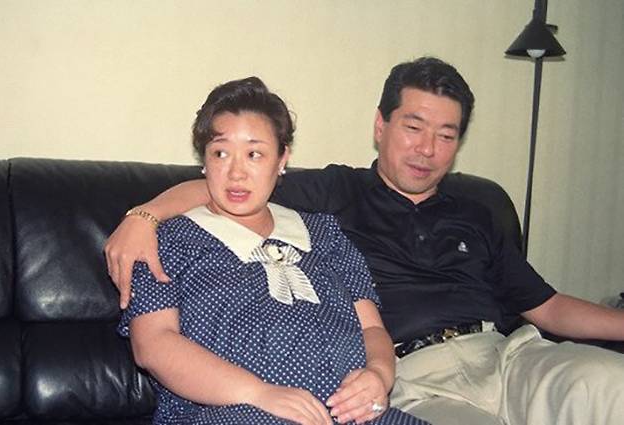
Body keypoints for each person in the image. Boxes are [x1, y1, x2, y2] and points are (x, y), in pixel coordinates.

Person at [108, 58, 624, 425]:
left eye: (446, 135)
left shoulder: (473, 212)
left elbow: (548, 305)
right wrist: (144, 216)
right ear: (381, 126)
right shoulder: (333, 193)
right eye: (414, 126)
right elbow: (230, 189)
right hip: (417, 374)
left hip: (504, 354)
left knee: (610, 382)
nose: (427, 149)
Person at [117, 76, 427, 425]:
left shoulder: (325, 234)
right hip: (229, 413)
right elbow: (153, 345)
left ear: (282, 159)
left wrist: (378, 376)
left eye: (254, 154)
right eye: (220, 153)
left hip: (350, 413)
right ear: (204, 161)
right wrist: (260, 394)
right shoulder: (170, 239)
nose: (236, 173)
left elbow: (371, 329)